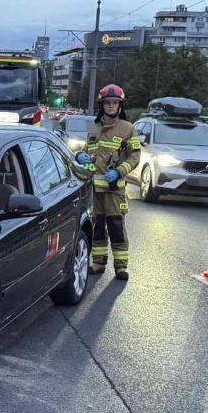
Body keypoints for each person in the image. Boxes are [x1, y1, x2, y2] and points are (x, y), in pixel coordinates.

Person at [78, 84, 140, 279]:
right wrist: (81, 155)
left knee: (116, 227)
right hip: (95, 190)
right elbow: (87, 148)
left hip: (114, 190)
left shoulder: (128, 128)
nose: (111, 106)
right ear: (101, 105)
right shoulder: (94, 127)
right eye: (108, 103)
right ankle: (98, 263)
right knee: (97, 228)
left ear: (121, 106)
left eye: (115, 103)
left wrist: (120, 171)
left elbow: (135, 156)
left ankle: (121, 267)